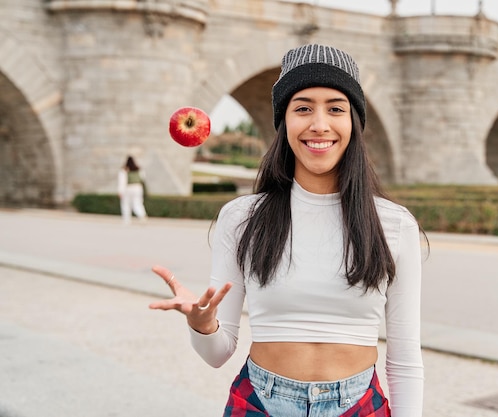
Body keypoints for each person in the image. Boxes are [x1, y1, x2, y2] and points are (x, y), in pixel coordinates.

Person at [150, 44, 425, 416]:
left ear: (353, 123)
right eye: (303, 108)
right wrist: (203, 324)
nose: (319, 124)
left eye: (336, 109)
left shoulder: (393, 224)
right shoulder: (242, 218)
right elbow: (217, 354)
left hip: (358, 406)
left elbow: (405, 359)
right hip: (260, 403)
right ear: (284, 122)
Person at [117, 156, 147, 224]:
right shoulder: (139, 169)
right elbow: (143, 178)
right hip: (138, 188)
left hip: (128, 188)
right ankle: (142, 215)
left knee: (126, 204)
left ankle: (127, 220)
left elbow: (122, 181)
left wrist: (120, 191)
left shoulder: (124, 170)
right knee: (138, 203)